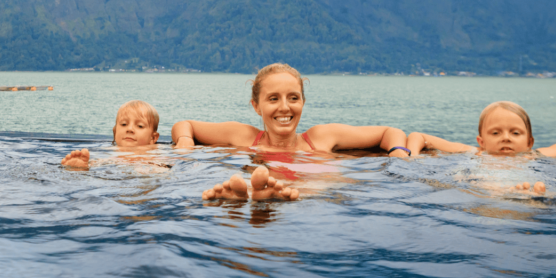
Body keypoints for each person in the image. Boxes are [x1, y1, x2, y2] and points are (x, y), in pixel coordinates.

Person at [171, 63, 410, 201]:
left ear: (303, 102)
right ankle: (257, 198)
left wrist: (398, 153)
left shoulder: (321, 137)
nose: (285, 107)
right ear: (256, 106)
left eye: (293, 98)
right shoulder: (244, 136)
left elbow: (390, 132)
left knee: (322, 184)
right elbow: (185, 125)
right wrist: (184, 142)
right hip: (300, 198)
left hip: (314, 196)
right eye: (273, 98)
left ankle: (256, 198)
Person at [406, 100, 556, 195]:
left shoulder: (533, 154)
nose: (506, 138)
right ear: (482, 141)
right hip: (483, 186)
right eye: (495, 133)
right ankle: (514, 196)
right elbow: (419, 137)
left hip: (517, 183)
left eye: (515, 133)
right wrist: (413, 156)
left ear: (529, 141)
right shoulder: (474, 152)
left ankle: (531, 197)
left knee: (542, 191)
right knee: (471, 183)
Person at [61, 100, 161, 170]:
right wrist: (87, 165)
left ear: (153, 138)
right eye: (123, 124)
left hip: (146, 172)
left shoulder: (157, 154)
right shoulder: (108, 153)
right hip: (112, 170)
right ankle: (79, 169)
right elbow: (101, 163)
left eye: (139, 126)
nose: (130, 129)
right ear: (115, 132)